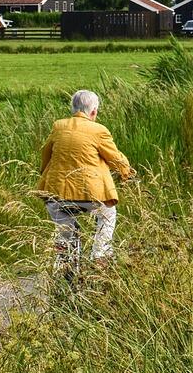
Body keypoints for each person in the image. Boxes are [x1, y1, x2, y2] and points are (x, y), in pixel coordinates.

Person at [37, 89, 135, 278]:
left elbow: (45, 154)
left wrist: (45, 173)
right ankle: (100, 256)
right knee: (108, 214)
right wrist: (127, 174)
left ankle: (68, 265)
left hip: (56, 194)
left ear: (73, 109)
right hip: (91, 196)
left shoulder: (59, 126)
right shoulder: (99, 130)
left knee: (66, 233)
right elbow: (116, 159)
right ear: (94, 112)